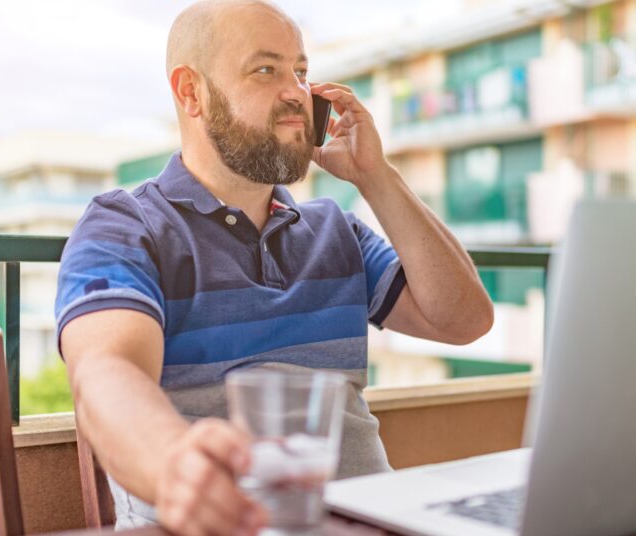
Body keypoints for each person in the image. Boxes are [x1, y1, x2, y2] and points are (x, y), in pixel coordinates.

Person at [54, 0, 494, 534]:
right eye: (266, 70)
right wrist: (173, 465)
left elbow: (463, 321)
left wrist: (376, 176)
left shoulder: (337, 229)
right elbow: (106, 373)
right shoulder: (125, 226)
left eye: (301, 72)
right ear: (191, 91)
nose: (296, 92)